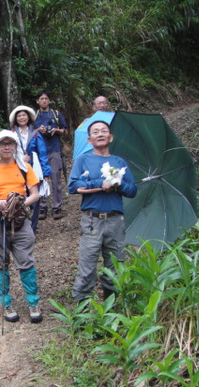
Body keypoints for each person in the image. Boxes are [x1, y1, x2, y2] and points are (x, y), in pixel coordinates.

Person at [68, 121, 137, 303]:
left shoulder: (119, 162)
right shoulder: (83, 160)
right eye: (96, 132)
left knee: (115, 264)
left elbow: (132, 190)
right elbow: (73, 186)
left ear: (111, 137)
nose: (100, 134)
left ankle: (112, 308)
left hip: (115, 220)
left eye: (104, 131)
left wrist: (118, 184)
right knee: (87, 266)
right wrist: (100, 183)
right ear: (90, 139)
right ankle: (81, 313)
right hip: (92, 221)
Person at [0, 130, 43, 324]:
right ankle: (6, 303)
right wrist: (0, 203)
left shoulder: (24, 168)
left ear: (15, 147)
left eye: (10, 144)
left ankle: (33, 302)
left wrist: (21, 203)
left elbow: (35, 193)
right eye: (3, 144)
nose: (7, 147)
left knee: (26, 261)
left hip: (20, 220)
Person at [9, 105, 51, 233]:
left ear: (28, 117)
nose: (22, 118)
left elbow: (43, 153)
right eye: (19, 115)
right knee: (20, 195)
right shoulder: (11, 134)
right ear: (16, 119)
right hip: (16, 169)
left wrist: (46, 173)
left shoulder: (36, 134)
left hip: (34, 169)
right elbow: (7, 151)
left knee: (35, 196)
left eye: (24, 115)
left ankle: (33, 226)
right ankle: (21, 224)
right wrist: (20, 158)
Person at [33, 89, 68, 220]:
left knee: (56, 178)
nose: (44, 101)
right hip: (39, 152)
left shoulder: (56, 114)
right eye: (41, 99)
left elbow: (65, 130)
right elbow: (30, 133)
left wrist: (57, 130)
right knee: (40, 179)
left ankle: (57, 206)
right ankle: (42, 206)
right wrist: (38, 130)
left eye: (46, 99)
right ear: (37, 101)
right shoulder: (34, 116)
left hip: (54, 149)